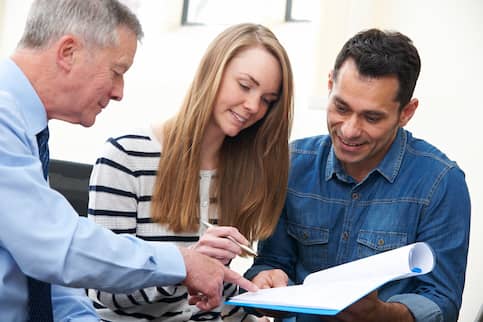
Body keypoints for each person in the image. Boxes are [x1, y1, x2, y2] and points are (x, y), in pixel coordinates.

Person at [0, 1, 256, 321]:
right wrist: (183, 263)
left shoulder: (26, 129)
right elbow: (56, 247)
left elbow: (50, 278)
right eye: (117, 71)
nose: (120, 92)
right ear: (68, 52)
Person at [244, 28, 471, 322]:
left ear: (406, 112)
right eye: (341, 107)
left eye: (372, 117)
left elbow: (442, 302)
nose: (349, 130)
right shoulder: (291, 164)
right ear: (330, 84)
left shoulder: (441, 183)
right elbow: (271, 262)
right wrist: (264, 280)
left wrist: (382, 315)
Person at [85, 22, 294, 321]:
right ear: (213, 72)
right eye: (245, 86)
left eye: (267, 100)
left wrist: (251, 307)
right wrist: (184, 266)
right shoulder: (125, 157)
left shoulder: (242, 174)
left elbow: (212, 297)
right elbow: (105, 291)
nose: (252, 106)